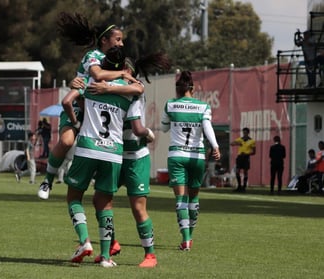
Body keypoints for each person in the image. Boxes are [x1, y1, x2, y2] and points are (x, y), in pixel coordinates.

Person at [37, 12, 138, 200]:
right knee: (67, 141)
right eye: (118, 39)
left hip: (99, 109)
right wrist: (122, 76)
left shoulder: (116, 60)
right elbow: (97, 75)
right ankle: (47, 180)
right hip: (79, 104)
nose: (121, 43)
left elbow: (134, 83)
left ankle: (108, 177)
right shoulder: (94, 55)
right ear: (105, 40)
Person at [64, 47, 146, 268]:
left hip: (88, 148)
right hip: (113, 153)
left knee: (73, 198)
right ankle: (106, 257)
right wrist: (118, 82)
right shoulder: (130, 91)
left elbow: (67, 101)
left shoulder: (91, 83)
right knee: (105, 203)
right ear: (122, 67)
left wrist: (76, 119)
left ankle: (84, 242)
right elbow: (140, 87)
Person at [87, 52, 170, 267]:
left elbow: (137, 127)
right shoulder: (106, 87)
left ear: (129, 72)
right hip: (113, 154)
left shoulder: (133, 91)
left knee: (138, 208)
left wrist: (147, 132)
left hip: (134, 157)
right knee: (99, 200)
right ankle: (111, 244)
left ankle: (150, 254)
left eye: (121, 70)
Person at [160, 70, 221, 251]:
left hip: (177, 156)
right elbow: (207, 126)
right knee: (194, 198)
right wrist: (215, 146)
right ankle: (190, 236)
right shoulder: (203, 107)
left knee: (181, 199)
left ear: (178, 90)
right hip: (197, 157)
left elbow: (163, 128)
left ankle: (185, 239)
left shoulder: (170, 104)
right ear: (192, 89)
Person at [230, 127, 256, 192]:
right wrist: (237, 143)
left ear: (248, 133)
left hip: (246, 157)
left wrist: (247, 154)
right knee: (237, 171)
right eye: (243, 133)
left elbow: (254, 152)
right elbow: (231, 143)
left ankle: (244, 187)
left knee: (245, 172)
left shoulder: (251, 141)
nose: (244, 134)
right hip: (240, 157)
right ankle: (239, 186)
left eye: (245, 133)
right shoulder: (240, 139)